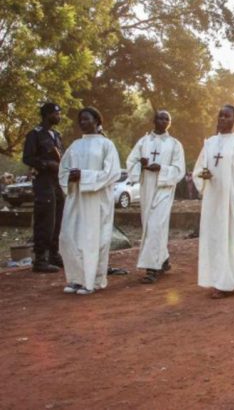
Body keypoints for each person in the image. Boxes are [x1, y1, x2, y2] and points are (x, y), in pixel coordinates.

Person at [193, 105, 234, 299]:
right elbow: (198, 170)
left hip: (232, 200)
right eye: (220, 115)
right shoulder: (210, 143)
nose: (222, 118)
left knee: (232, 238)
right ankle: (216, 279)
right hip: (213, 200)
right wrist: (203, 176)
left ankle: (230, 280)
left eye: (227, 116)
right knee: (215, 237)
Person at [58, 108, 121, 295]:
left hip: (96, 200)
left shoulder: (106, 145)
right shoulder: (75, 145)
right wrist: (70, 177)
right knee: (69, 237)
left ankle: (93, 280)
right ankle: (76, 279)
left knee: (94, 239)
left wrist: (84, 175)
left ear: (97, 121)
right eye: (80, 120)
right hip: (76, 198)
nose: (82, 122)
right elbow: (63, 170)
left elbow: (112, 173)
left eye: (86, 119)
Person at [126, 110, 186, 283]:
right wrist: (141, 165)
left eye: (166, 118)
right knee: (150, 224)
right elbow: (131, 161)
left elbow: (179, 169)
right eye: (160, 117)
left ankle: (151, 269)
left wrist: (161, 169)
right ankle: (164, 259)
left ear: (170, 122)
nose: (163, 120)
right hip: (147, 187)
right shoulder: (143, 141)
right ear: (154, 120)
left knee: (155, 224)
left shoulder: (175, 144)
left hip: (165, 188)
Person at [22, 102, 65, 273]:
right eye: (57, 113)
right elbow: (28, 158)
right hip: (43, 181)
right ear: (48, 115)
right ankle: (40, 259)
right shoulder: (35, 135)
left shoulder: (56, 135)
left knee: (58, 218)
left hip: (56, 182)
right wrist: (47, 164)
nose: (59, 116)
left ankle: (54, 254)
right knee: (45, 220)